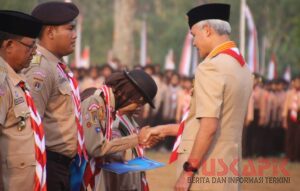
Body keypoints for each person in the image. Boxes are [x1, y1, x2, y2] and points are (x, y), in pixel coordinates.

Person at [149, 3, 253, 190]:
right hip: (227, 170)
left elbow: (209, 127)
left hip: (204, 172)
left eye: (194, 36)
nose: (194, 42)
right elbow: (218, 125)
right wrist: (164, 130)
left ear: (207, 30)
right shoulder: (243, 68)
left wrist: (188, 172)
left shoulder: (211, 67)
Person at [22, 2, 85, 190]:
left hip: (67, 165)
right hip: (50, 164)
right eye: (70, 29)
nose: (75, 35)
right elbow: (32, 124)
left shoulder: (58, 66)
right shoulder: (40, 68)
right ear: (50, 32)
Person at [81, 69, 159, 191]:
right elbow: (96, 148)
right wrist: (137, 139)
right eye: (139, 103)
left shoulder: (108, 109)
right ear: (131, 95)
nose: (138, 108)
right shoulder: (95, 103)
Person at [0, 10, 46, 190]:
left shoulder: (17, 80)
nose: (34, 53)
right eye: (30, 47)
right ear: (9, 45)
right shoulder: (2, 82)